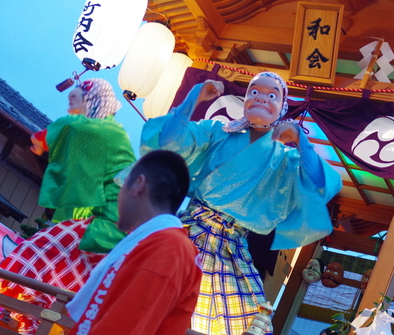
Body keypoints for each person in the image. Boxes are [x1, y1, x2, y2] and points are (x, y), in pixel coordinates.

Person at [140, 71, 342, 334]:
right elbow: (168, 141)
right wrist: (193, 97)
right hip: (188, 230)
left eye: (272, 95)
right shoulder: (217, 131)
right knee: (145, 293)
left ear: (283, 107)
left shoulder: (284, 158)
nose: (260, 98)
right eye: (253, 92)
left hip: (231, 245)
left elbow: (319, 184)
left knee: (250, 323)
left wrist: (301, 142)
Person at [0, 78, 135, 334]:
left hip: (99, 224)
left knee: (36, 258)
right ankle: (33, 322)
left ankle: (26, 318)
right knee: (63, 282)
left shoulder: (104, 131)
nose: (70, 108)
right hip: (98, 226)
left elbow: (67, 128)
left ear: (92, 102)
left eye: (75, 101)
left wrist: (42, 138)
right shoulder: (108, 133)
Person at [66, 150, 202, 335]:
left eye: (122, 186)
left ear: (138, 184)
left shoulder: (169, 247)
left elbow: (123, 327)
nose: (118, 197)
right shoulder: (162, 243)